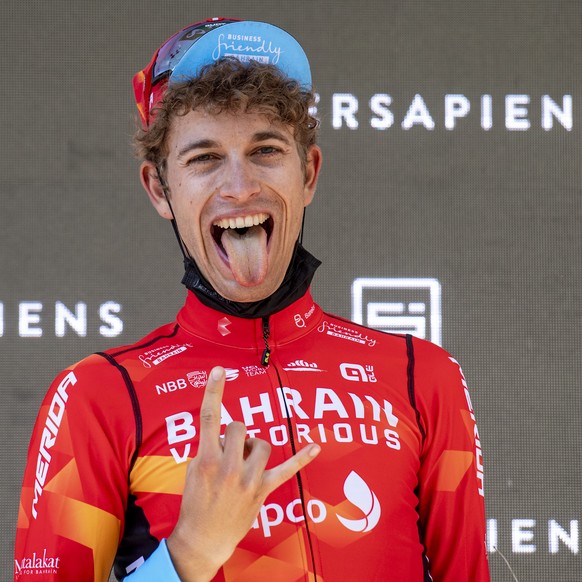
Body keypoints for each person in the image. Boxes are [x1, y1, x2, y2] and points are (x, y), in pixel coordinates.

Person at [15, 17, 490, 582]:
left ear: (308, 173)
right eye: (204, 159)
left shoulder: (424, 378)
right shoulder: (97, 399)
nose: (239, 186)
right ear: (159, 188)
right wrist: (187, 552)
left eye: (265, 150)